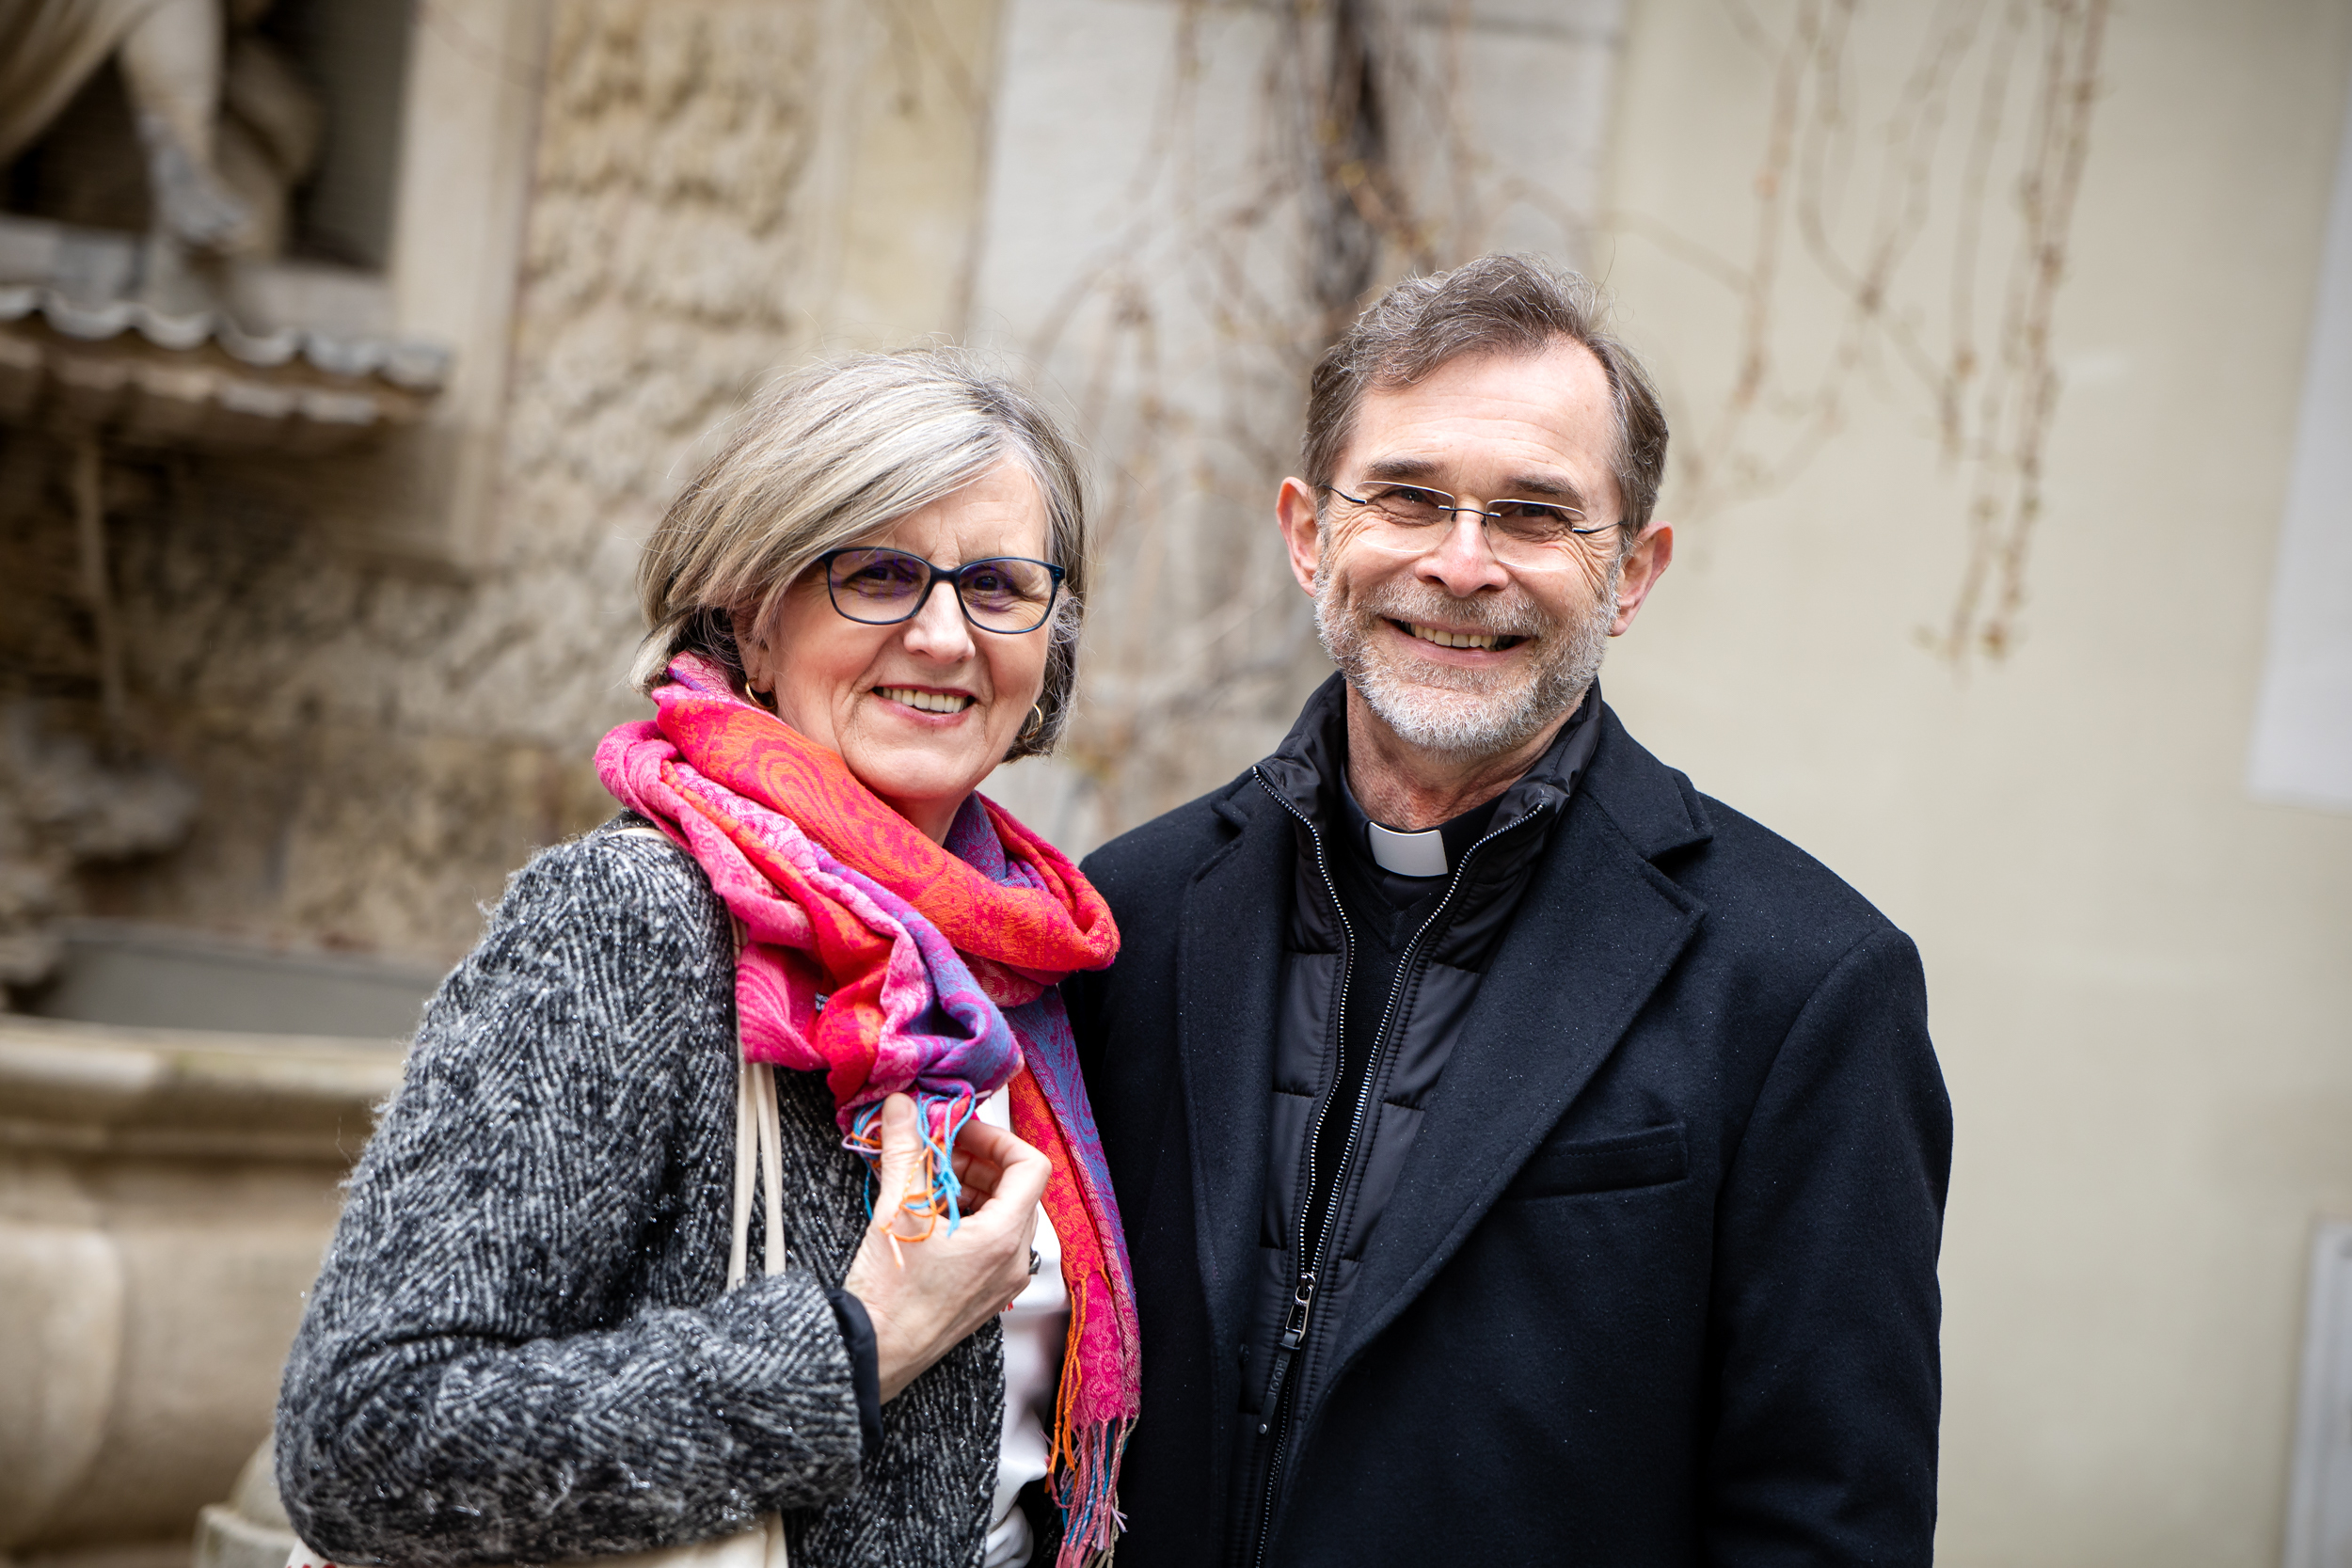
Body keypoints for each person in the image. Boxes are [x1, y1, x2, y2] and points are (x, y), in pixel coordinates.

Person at [1061, 255, 1953, 1565]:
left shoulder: (1805, 984)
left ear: (1632, 574)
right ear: (1309, 535)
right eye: (1408, 497)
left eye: (1535, 515)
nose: (1462, 564)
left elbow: (1827, 1525)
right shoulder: (1128, 917)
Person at [276, 350, 1141, 1568]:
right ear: (752, 620)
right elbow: (364, 1439)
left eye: (998, 585)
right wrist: (854, 1347)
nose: (945, 635)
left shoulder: (1036, 970)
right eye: (878, 575)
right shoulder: (635, 921)